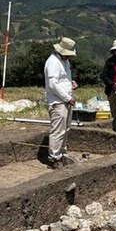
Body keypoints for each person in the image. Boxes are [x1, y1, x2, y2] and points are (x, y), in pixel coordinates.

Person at [43, 37, 78, 169]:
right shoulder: (53, 62)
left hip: (65, 99)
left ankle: (62, 152)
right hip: (57, 101)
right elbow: (53, 84)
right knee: (58, 130)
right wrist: (67, 97)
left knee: (65, 128)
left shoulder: (65, 61)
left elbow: (62, 79)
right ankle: (54, 157)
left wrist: (71, 83)